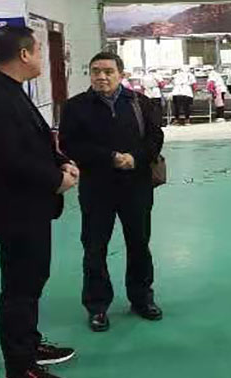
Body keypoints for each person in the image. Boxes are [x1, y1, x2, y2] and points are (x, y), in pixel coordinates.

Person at [0, 25, 79, 378]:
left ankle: (29, 345)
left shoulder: (7, 90)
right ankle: (19, 371)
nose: (41, 58)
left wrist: (60, 161)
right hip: (13, 207)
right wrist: (55, 180)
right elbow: (6, 157)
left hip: (28, 204)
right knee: (20, 287)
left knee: (32, 278)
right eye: (39, 51)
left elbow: (32, 143)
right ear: (24, 54)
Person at [59, 51, 165, 333]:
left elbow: (155, 137)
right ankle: (97, 306)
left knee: (139, 244)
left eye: (108, 71)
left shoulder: (140, 103)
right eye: (96, 71)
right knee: (95, 247)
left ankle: (142, 299)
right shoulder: (75, 107)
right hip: (97, 188)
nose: (101, 77)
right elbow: (69, 143)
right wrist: (110, 157)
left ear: (121, 74)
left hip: (136, 186)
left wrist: (135, 158)